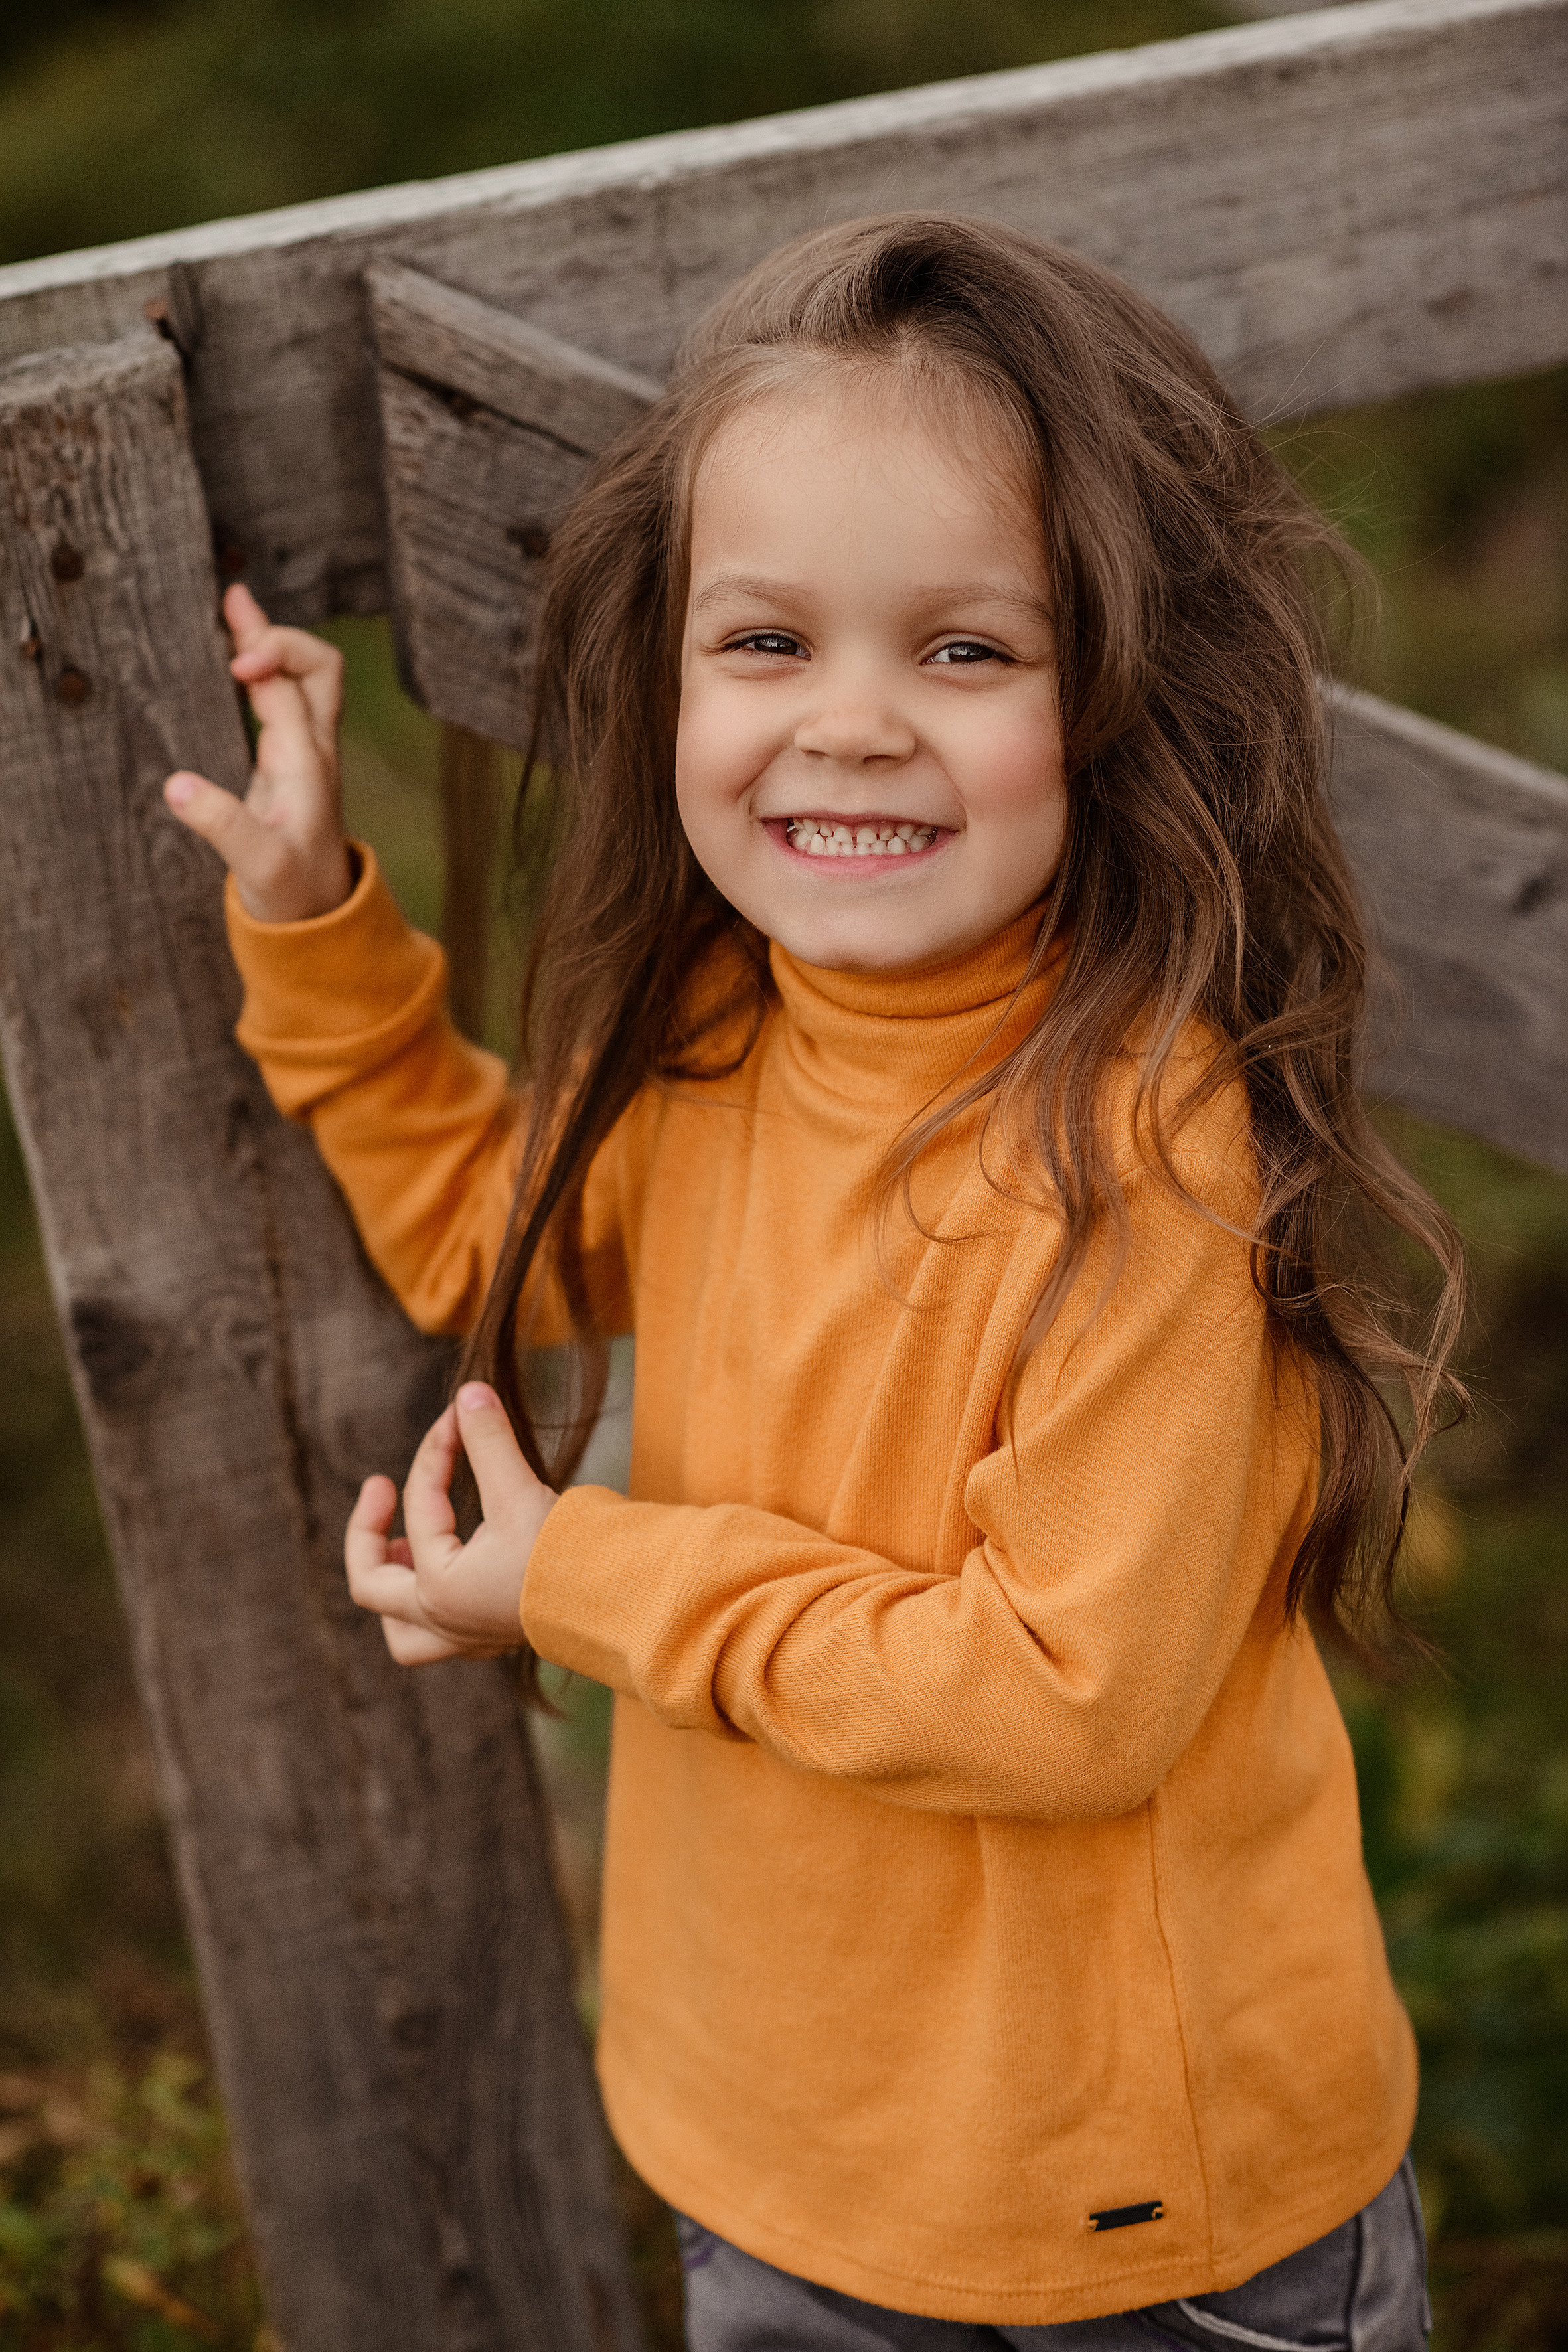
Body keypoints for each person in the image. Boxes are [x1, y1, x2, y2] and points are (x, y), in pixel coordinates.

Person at [164, 216, 1460, 2351]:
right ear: (667, 673)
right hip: (773, 2157)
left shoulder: (1141, 1151)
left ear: (1115, 693)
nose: (848, 726)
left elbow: (1061, 1696)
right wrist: (315, 919)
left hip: (1136, 2228)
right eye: (766, 641)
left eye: (963, 650)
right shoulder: (720, 1028)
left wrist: (581, 1578)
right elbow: (488, 1227)